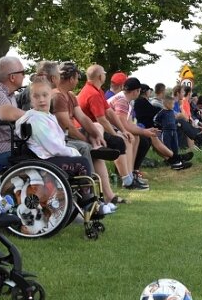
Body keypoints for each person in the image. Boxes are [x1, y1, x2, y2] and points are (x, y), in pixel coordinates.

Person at [48, 61, 124, 206]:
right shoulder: (57, 96)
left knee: (95, 126)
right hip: (61, 137)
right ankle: (88, 195)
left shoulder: (69, 95)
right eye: (77, 78)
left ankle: (97, 148)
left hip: (70, 135)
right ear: (71, 79)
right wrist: (86, 140)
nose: (78, 81)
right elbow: (68, 126)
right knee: (86, 147)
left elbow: (83, 118)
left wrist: (97, 135)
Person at [77, 64, 147, 190]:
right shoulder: (92, 93)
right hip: (88, 131)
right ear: (100, 76)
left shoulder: (97, 90)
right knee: (120, 141)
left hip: (95, 128)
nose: (105, 75)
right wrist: (116, 134)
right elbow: (102, 119)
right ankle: (127, 181)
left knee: (126, 137)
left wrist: (123, 130)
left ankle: (129, 176)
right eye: (103, 73)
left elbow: (109, 112)